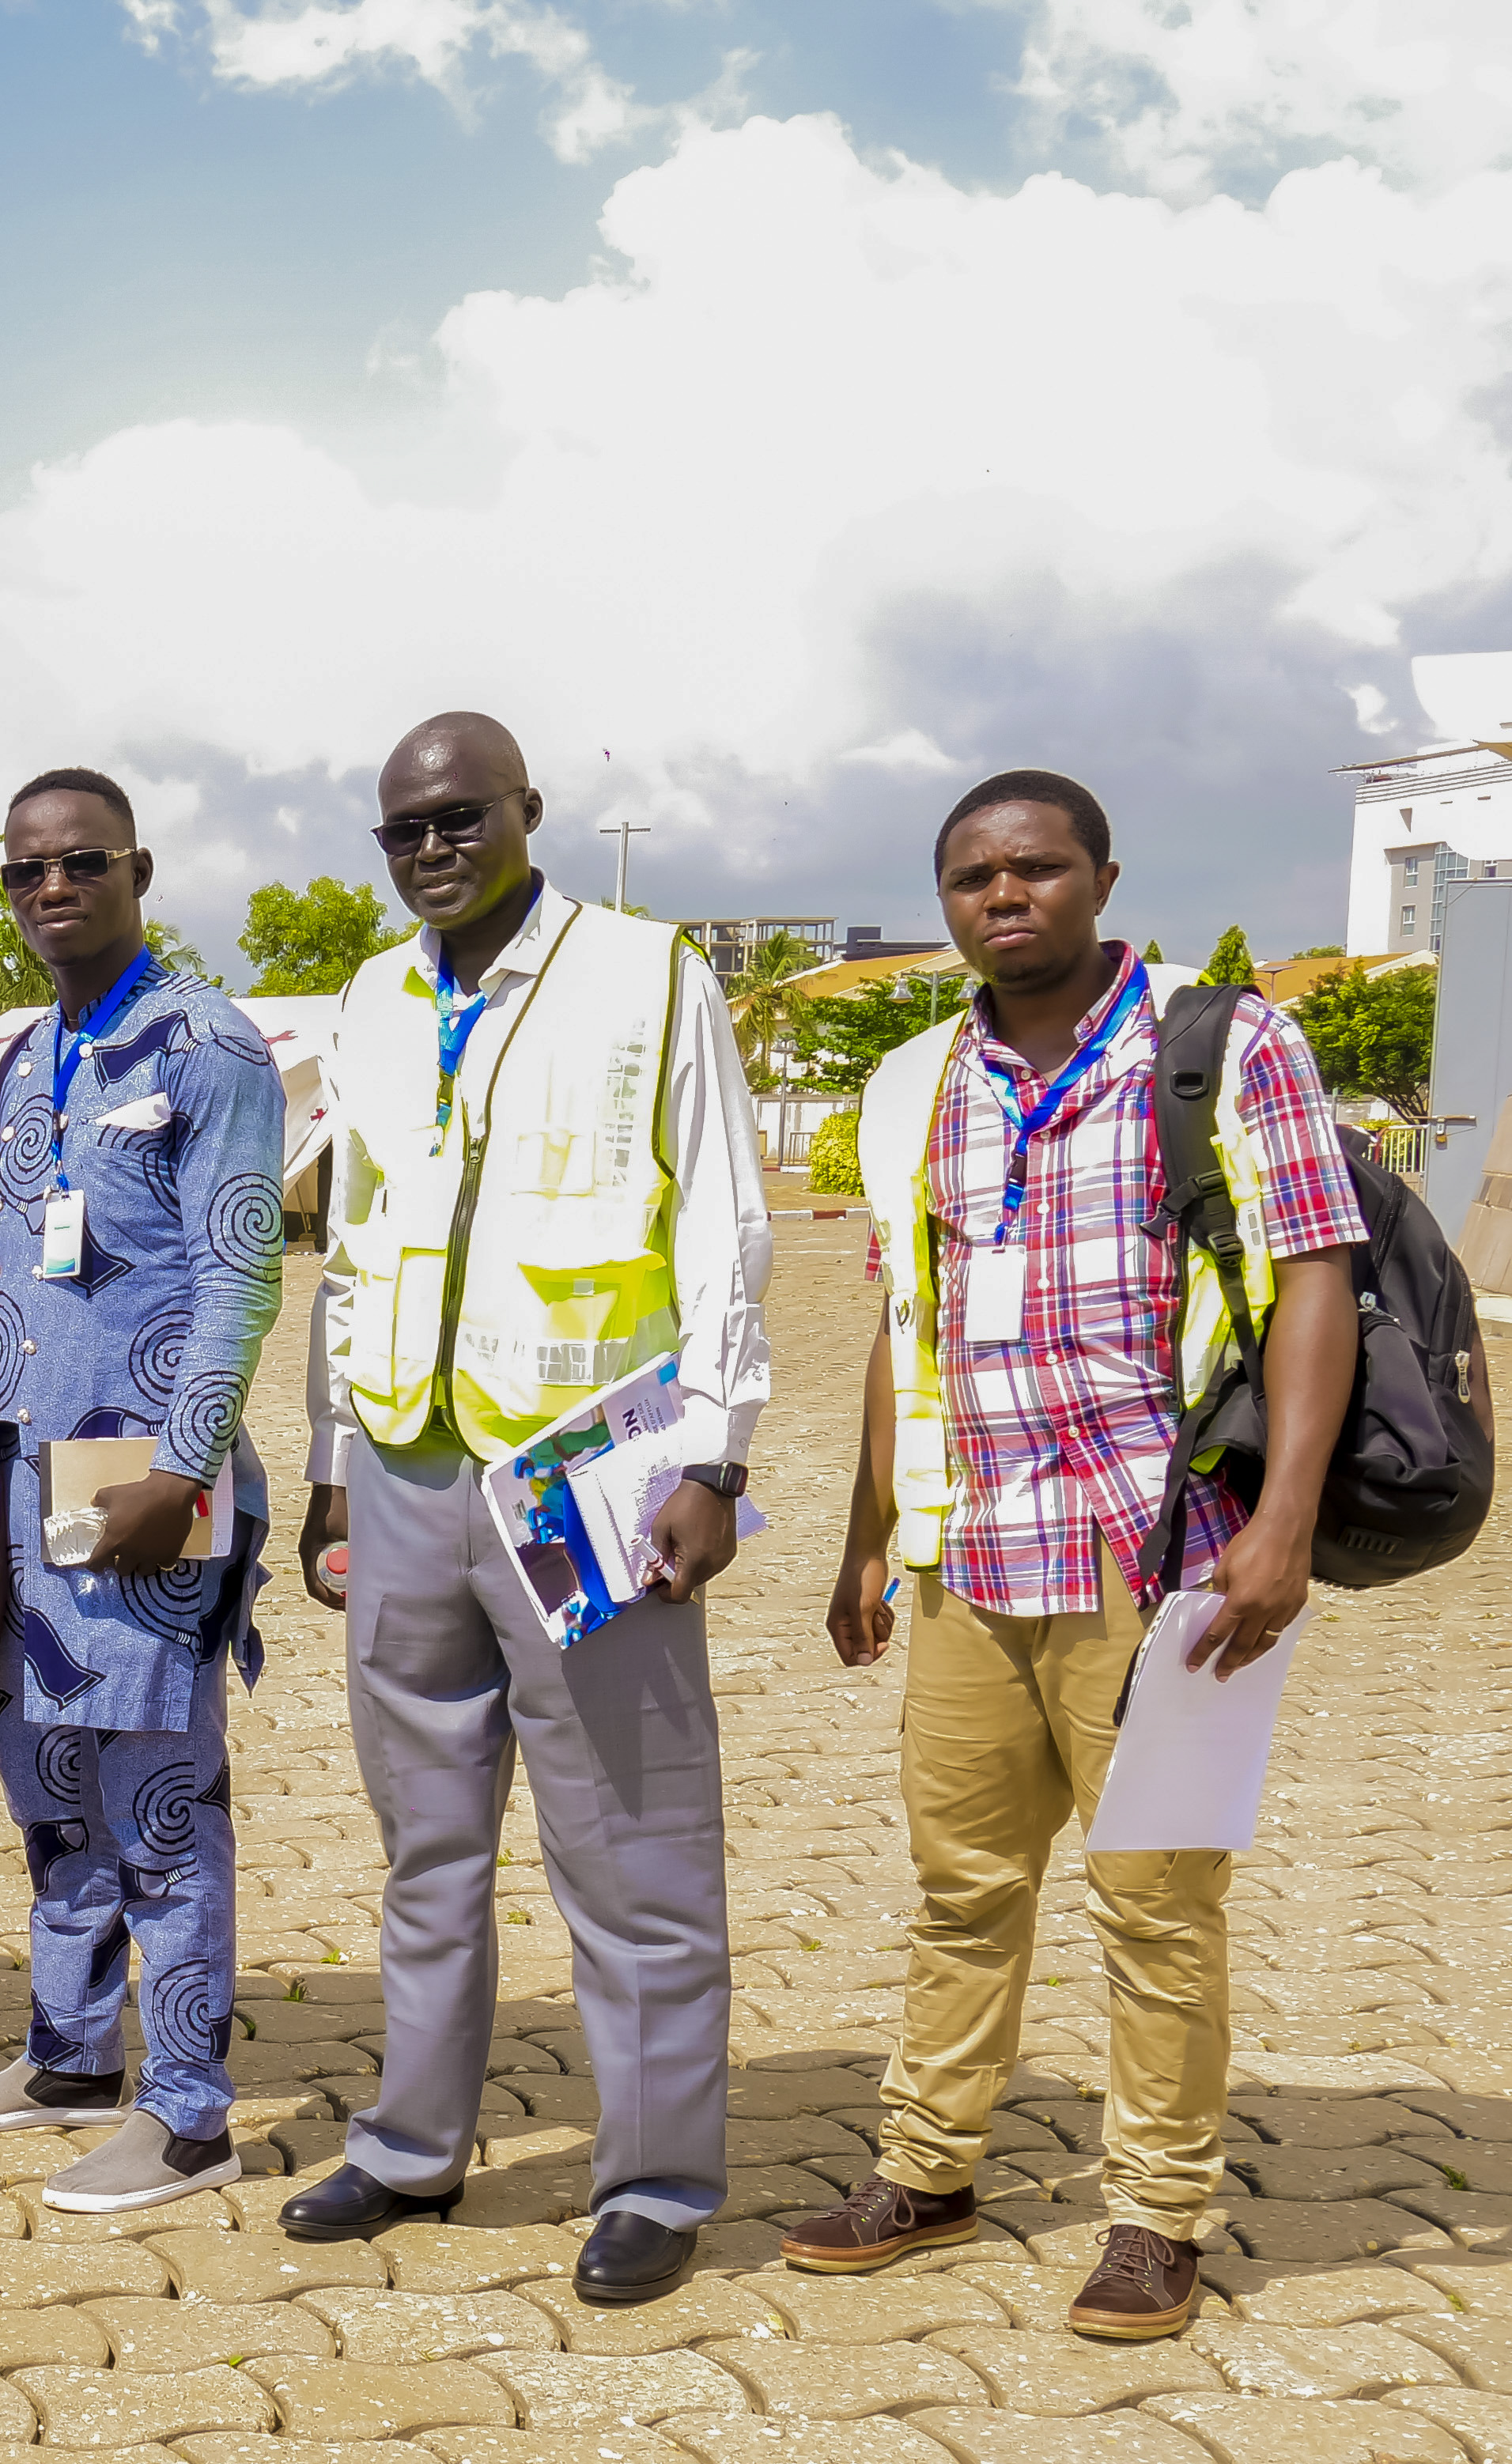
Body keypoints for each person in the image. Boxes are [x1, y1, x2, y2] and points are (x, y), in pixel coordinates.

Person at [792, 773, 1365, 2342]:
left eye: (1037, 867)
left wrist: (1286, 1528)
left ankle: (1158, 2215)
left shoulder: (1222, 1041)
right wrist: (864, 1542)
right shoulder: (915, 1082)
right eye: (973, 875)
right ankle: (929, 2168)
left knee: (1156, 1899)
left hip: (1160, 1557)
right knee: (963, 1889)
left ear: (1103, 876)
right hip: (971, 1555)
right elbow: (902, 1319)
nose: (1005, 895)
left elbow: (1315, 1273)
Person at [285, 711, 772, 2308]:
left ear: (526, 813)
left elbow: (721, 1222)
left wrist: (715, 1455)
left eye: (459, 820)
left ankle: (655, 2178)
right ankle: (413, 2143)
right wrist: (333, 1465)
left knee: (630, 1853)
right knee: (426, 1844)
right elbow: (353, 1244)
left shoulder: (645, 975)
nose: (432, 850)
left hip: (579, 1476)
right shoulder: (370, 996)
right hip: (412, 1471)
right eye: (404, 829)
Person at [0, 773, 285, 2213]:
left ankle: (190, 2114)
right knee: (50, 1780)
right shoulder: (23, 1058)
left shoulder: (206, 1045)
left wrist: (184, 1470)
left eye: (81, 863)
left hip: (144, 1477)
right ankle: (70, 2055)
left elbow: (241, 1273)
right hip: (28, 1479)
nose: (50, 888)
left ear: (136, 870)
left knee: (159, 1796)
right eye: (24, 871)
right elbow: (22, 1283)